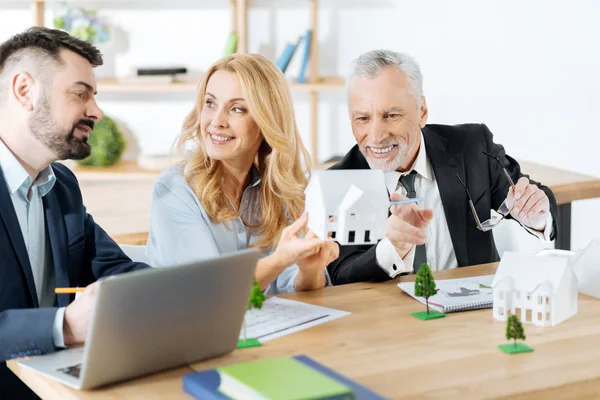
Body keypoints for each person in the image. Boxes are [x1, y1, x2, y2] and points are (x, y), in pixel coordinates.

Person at [0, 27, 150, 398]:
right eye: (80, 94)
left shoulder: (61, 184)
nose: (96, 111)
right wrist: (62, 326)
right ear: (24, 91)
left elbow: (113, 268)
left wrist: (174, 292)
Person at [327, 49, 558, 284]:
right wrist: (391, 249)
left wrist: (537, 216)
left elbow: (534, 198)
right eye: (363, 119)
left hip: (474, 310)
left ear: (422, 112)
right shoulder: (340, 182)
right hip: (390, 317)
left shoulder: (472, 147)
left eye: (391, 115)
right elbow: (340, 275)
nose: (375, 137)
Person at [146, 53, 338, 293]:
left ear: (267, 122)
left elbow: (296, 287)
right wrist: (280, 260)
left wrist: (310, 270)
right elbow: (208, 289)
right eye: (210, 104)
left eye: (237, 109)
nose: (217, 121)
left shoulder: (280, 190)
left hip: (267, 328)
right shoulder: (175, 188)